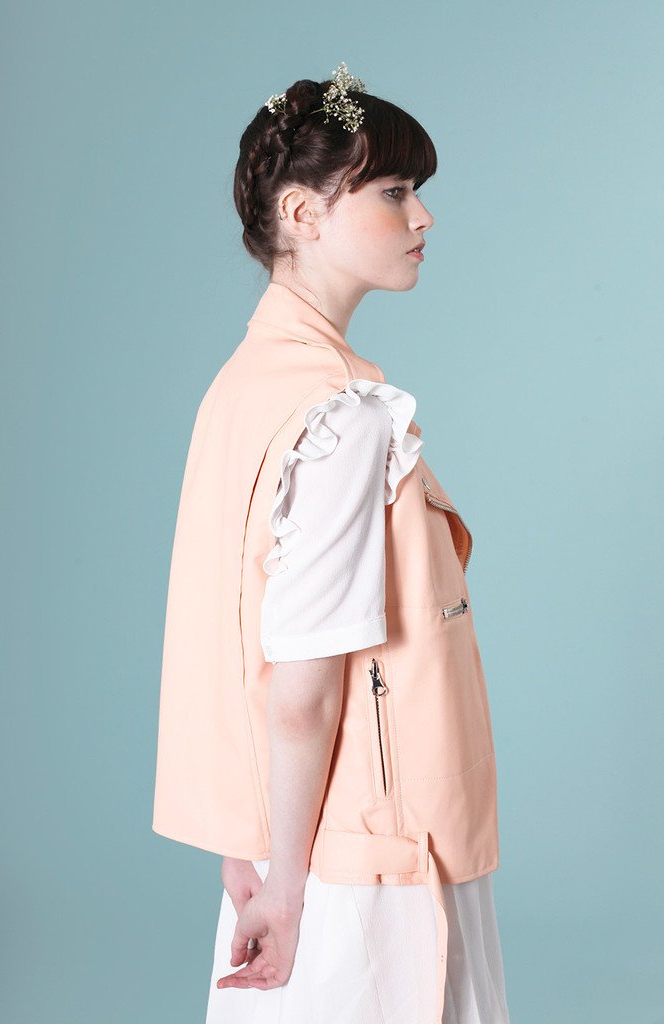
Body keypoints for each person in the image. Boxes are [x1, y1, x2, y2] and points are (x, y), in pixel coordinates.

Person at [152, 61, 511, 1024]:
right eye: (393, 191)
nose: (422, 216)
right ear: (303, 213)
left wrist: (252, 847)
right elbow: (302, 684)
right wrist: (288, 889)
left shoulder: (244, 386)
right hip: (368, 858)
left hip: (291, 836)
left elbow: (232, 635)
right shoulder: (340, 413)